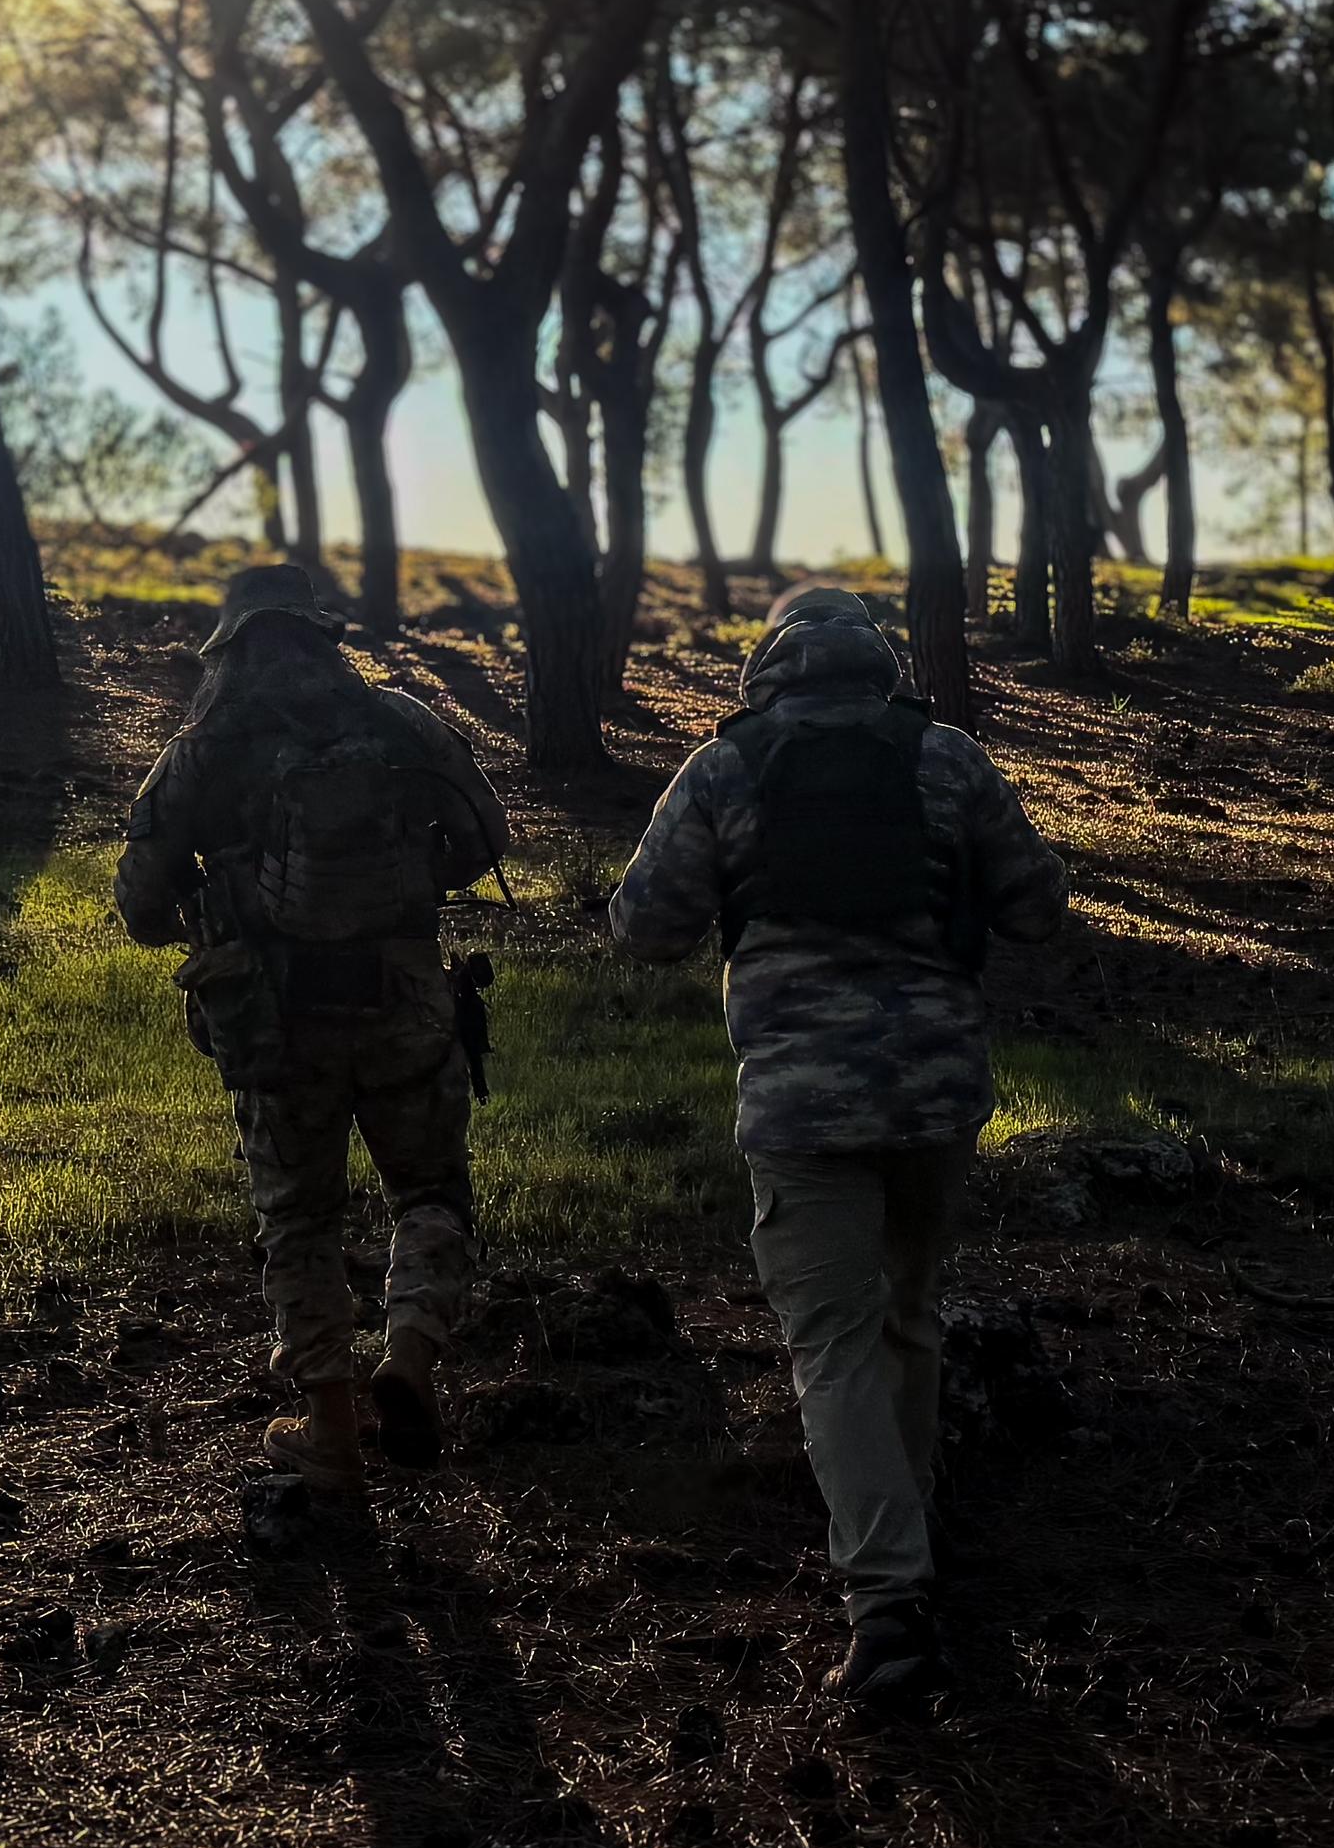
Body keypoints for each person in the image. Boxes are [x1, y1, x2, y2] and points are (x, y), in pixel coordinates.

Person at [607, 583, 1067, 1705]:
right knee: (908, 1315)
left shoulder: (725, 766)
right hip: (933, 1096)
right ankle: (905, 1530)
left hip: (800, 1108)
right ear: (883, 666)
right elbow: (1037, 906)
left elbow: (643, 928)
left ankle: (888, 1600)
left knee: (831, 1347)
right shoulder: (945, 756)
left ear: (766, 668)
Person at [116, 562, 509, 1502]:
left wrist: (223, 907)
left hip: (273, 1021)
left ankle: (329, 1429)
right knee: (430, 1192)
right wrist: (411, 878)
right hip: (406, 1002)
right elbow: (488, 837)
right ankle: (409, 1355)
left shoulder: (203, 746)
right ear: (325, 638)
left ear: (233, 647)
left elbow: (137, 903)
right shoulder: (401, 722)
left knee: (298, 1218)